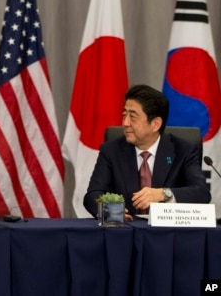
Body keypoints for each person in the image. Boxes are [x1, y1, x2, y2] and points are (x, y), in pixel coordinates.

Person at [83, 84, 210, 220]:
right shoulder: (111, 151)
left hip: (168, 235)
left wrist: (163, 194)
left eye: (133, 117)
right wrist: (109, 212)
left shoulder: (183, 150)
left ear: (155, 124)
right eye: (124, 115)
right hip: (125, 232)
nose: (125, 123)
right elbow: (92, 195)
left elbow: (201, 193)